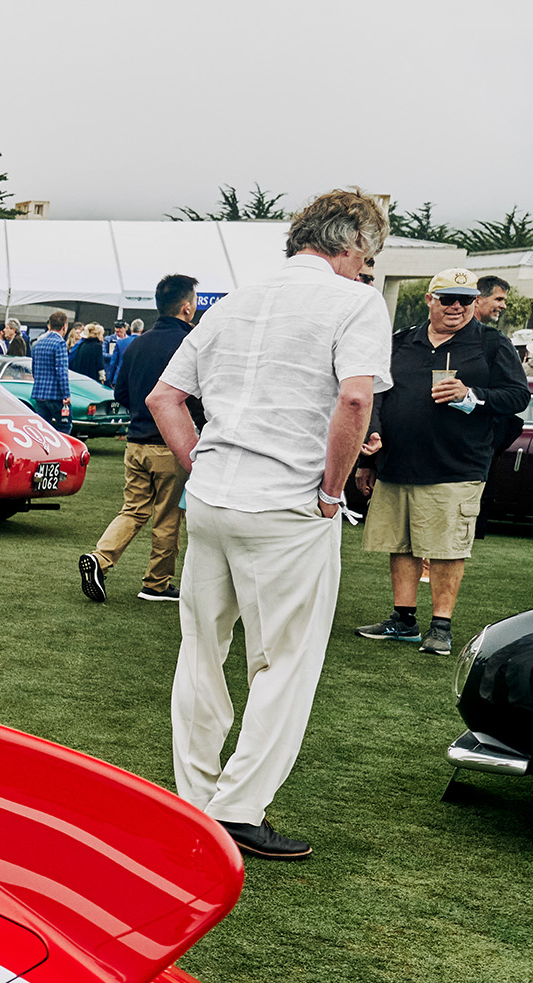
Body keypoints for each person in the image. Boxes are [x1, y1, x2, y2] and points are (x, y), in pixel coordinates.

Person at [147, 187, 393, 861]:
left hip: (218, 496)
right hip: (287, 504)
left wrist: (202, 464)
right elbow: (353, 395)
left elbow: (165, 397)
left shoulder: (235, 302)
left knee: (202, 648)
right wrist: (332, 488)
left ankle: (193, 799)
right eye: (367, 256)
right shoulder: (354, 301)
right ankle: (237, 807)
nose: (366, 268)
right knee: (283, 661)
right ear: (350, 246)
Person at [351, 268, 529, 656]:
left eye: (465, 300)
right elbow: (376, 393)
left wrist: (472, 394)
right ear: (431, 299)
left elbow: (517, 398)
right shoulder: (401, 342)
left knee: (448, 547)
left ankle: (441, 627)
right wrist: (371, 441)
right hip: (397, 461)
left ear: (474, 303)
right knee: (402, 543)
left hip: (457, 465)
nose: (456, 307)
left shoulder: (491, 344)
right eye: (447, 298)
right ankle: (404, 620)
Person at [80, 274, 201, 605]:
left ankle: (100, 559)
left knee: (133, 510)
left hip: (135, 442)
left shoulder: (136, 343)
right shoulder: (190, 343)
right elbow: (198, 396)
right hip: (170, 444)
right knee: (167, 517)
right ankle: (157, 583)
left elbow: (120, 392)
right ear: (187, 307)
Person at [30, 313, 72, 431]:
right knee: (64, 426)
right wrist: (66, 394)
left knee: (43, 428)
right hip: (56, 394)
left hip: (39, 393)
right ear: (65, 326)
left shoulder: (37, 343)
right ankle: (62, 449)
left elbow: (34, 369)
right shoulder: (60, 343)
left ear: (49, 325)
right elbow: (62, 370)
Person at [102, 320, 131, 386]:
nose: (118, 330)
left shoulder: (129, 340)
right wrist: (115, 356)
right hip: (110, 371)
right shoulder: (108, 339)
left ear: (125, 328)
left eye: (120, 328)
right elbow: (103, 354)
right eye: (116, 327)